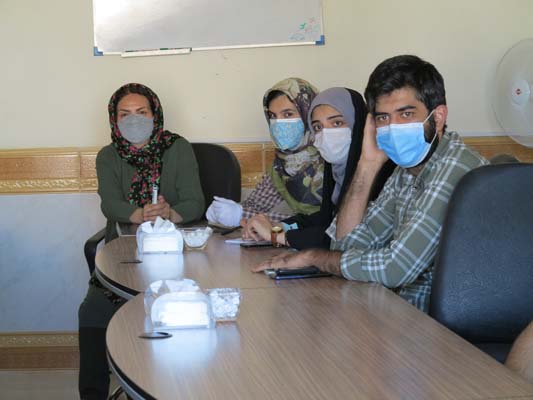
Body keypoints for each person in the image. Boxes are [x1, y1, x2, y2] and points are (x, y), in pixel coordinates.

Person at [253, 55, 488, 312]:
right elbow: (345, 245)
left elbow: (396, 268)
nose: (393, 127)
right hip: (394, 309)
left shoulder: (454, 168)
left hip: (436, 322)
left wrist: (313, 257)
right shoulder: (406, 170)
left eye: (406, 114)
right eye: (383, 118)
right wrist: (367, 163)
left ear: (438, 116)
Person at [78, 83, 205, 399]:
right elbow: (110, 204)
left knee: (177, 309)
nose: (134, 120)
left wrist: (168, 213)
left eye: (141, 112)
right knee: (92, 310)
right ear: (114, 119)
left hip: (176, 256)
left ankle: (174, 385)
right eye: (125, 114)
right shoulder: (108, 156)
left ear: (155, 114)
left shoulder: (178, 148)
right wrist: (141, 213)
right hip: (124, 254)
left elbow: (195, 202)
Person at [242, 87, 395, 249]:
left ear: (360, 125)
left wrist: (276, 236)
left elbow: (347, 238)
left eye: (337, 123)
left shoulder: (382, 173)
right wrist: (277, 228)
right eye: (317, 127)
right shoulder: (336, 170)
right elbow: (323, 220)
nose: (326, 134)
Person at [206, 77, 323, 227]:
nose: (278, 123)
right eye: (273, 116)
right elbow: (255, 205)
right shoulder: (281, 165)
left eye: (288, 114)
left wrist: (241, 215)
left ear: (309, 114)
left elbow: (327, 223)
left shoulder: (330, 157)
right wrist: (226, 212)